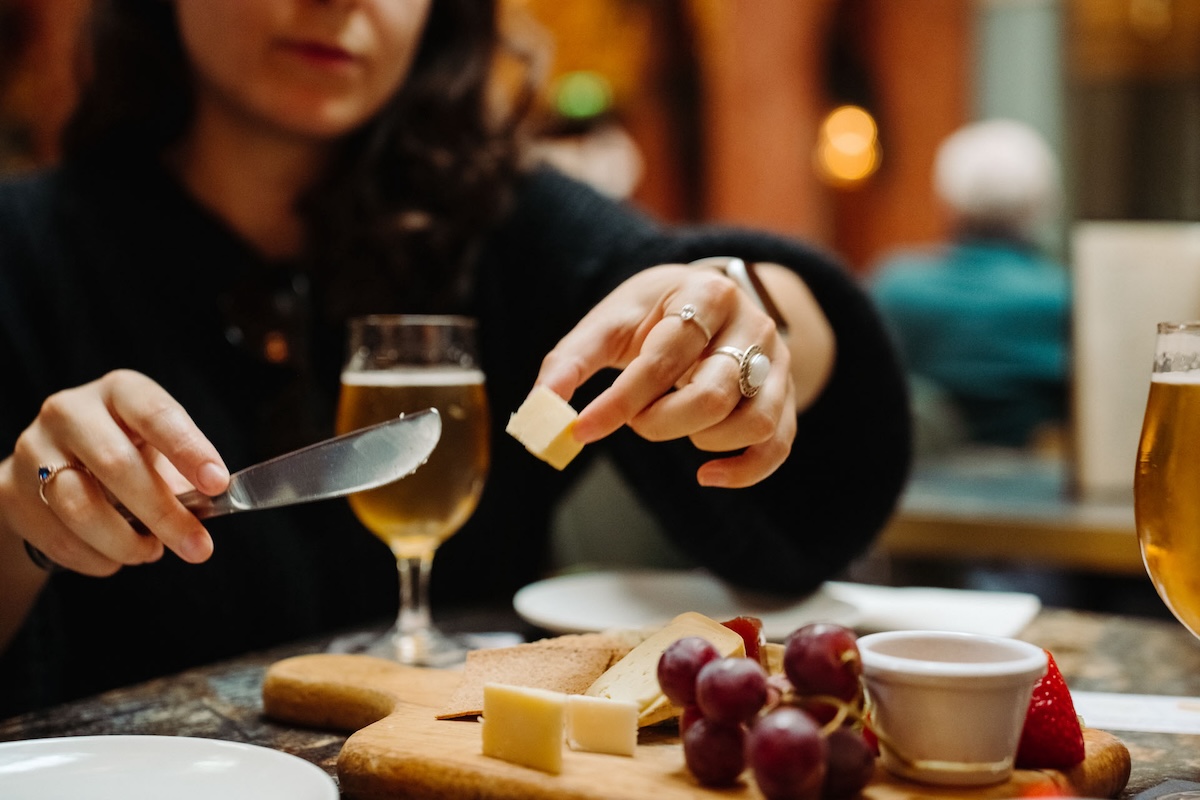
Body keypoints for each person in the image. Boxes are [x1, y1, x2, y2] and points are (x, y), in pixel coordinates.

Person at [0, 0, 911, 717]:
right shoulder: (29, 253)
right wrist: (17, 524)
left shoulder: (499, 226)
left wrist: (753, 315)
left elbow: (670, 282)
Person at [868, 119, 1069, 453]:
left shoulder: (893, 287)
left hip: (910, 488)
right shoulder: (1063, 298)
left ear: (946, 200)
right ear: (1044, 206)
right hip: (1035, 495)